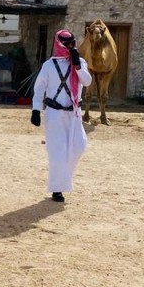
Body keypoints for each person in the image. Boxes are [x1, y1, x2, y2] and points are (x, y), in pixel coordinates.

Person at [31, 29, 92, 203]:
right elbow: (39, 88)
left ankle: (63, 180)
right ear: (59, 44)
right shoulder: (49, 65)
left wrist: (77, 66)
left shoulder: (80, 62)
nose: (70, 46)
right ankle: (57, 189)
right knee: (57, 153)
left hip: (74, 114)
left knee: (79, 146)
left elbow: (87, 82)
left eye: (72, 43)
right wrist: (36, 109)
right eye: (67, 44)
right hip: (54, 114)